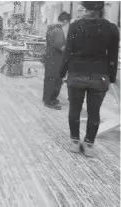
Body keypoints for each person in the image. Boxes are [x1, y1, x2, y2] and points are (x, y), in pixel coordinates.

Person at [59, 1, 119, 157]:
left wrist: (61, 73)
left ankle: (74, 141)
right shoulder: (112, 29)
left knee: (75, 109)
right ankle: (89, 144)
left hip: (76, 74)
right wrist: (111, 77)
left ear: (96, 10)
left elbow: (68, 52)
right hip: (99, 77)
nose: (83, 10)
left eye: (86, 8)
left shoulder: (75, 26)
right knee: (94, 112)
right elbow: (112, 56)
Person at [42, 12, 71, 110]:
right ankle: (49, 101)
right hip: (55, 59)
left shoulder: (51, 28)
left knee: (49, 79)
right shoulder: (58, 30)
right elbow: (61, 46)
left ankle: (46, 99)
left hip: (50, 58)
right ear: (66, 21)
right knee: (55, 80)